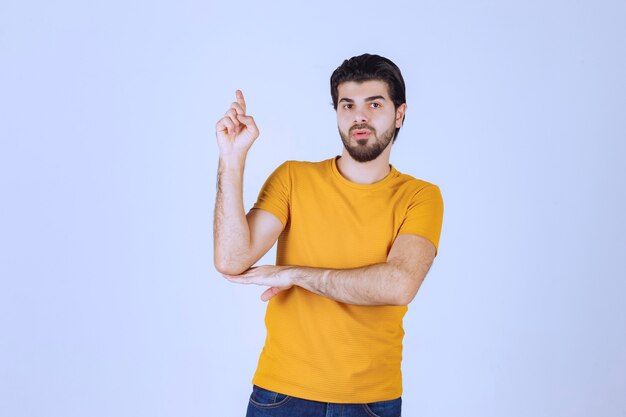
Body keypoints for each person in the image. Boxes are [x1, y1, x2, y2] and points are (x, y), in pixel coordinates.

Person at [214, 53, 443, 417]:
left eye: (374, 103)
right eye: (347, 104)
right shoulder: (293, 178)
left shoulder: (420, 197)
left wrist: (295, 275)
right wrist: (232, 158)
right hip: (281, 394)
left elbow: (399, 284)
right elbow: (231, 259)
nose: (359, 116)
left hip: (371, 401)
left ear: (399, 113)